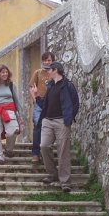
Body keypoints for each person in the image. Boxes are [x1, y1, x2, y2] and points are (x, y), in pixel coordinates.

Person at [29, 61, 73, 192]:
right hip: (47, 120)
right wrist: (36, 96)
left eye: (49, 70)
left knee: (63, 150)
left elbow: (74, 103)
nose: (47, 72)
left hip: (62, 121)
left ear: (56, 70)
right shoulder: (50, 86)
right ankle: (52, 174)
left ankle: (65, 181)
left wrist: (68, 119)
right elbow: (44, 104)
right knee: (44, 145)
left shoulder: (68, 86)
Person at [28, 52, 55, 164]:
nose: (46, 62)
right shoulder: (38, 73)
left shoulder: (55, 72)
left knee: (50, 128)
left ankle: (46, 153)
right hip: (39, 104)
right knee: (37, 127)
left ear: (52, 61)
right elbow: (31, 87)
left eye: (48, 60)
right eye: (44, 60)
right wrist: (35, 99)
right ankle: (35, 153)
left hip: (52, 104)